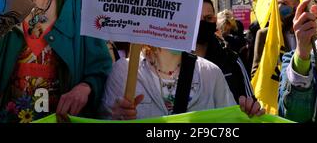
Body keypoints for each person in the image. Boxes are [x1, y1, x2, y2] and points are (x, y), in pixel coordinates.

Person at [99, 46, 264, 120]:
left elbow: (229, 125)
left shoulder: (210, 72)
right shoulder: (124, 71)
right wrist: (116, 117)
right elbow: (104, 118)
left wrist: (246, 116)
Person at [196, 0, 255, 102]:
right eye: (196, 19)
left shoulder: (231, 60)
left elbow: (250, 100)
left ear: (215, 21)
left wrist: (250, 108)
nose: (202, 23)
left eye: (208, 18)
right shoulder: (171, 62)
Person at [251, 0, 300, 78]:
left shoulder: (307, 33)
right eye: (277, 3)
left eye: (284, 3)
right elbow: (256, 71)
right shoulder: (264, 35)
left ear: (296, 8)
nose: (279, 7)